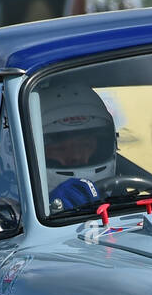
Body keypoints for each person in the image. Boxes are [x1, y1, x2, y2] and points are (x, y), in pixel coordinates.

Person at [38, 82, 117, 212]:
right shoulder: (6, 212)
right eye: (60, 149)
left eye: (86, 145)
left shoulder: (125, 195)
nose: (77, 156)